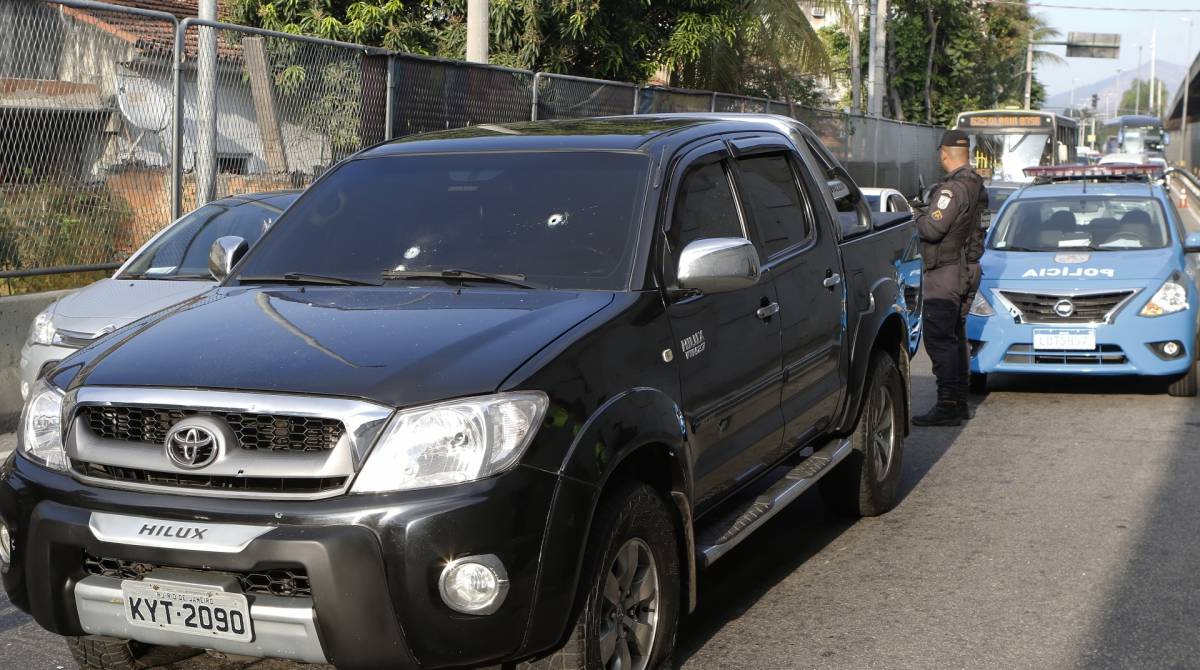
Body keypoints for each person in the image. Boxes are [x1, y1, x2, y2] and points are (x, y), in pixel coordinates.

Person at [911, 130, 987, 427]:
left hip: (946, 272)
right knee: (956, 338)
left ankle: (948, 405)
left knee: (941, 339)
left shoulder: (951, 190)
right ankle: (958, 403)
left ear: (944, 154)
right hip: (968, 268)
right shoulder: (978, 185)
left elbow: (932, 230)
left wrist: (913, 213)